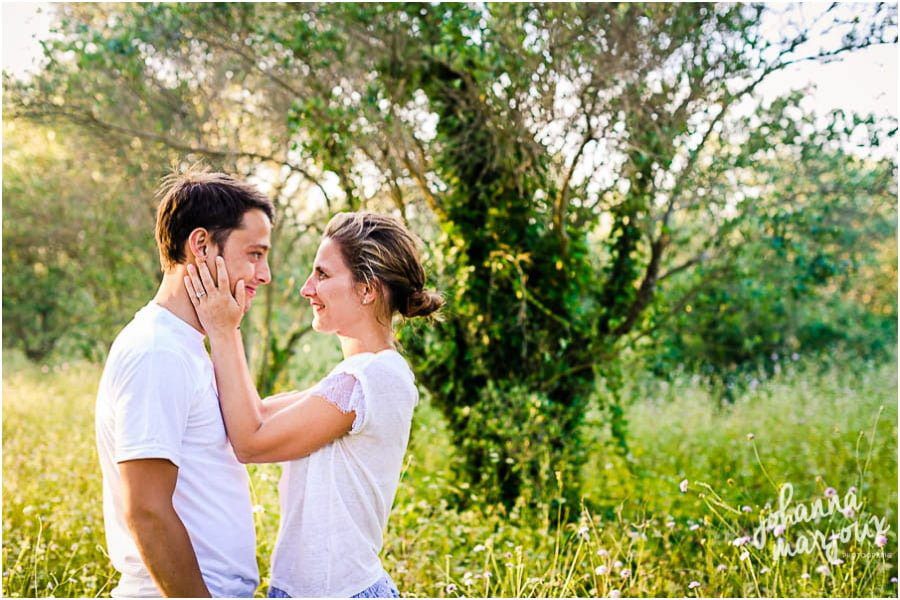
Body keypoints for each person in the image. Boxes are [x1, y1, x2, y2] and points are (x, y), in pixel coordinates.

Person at [184, 211, 443, 598]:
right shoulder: (354, 378)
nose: (307, 289)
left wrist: (225, 330)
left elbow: (251, 441)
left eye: (322, 275)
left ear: (367, 289)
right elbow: (256, 412)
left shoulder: (373, 378)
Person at [95, 169, 275, 597]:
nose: (265, 274)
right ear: (201, 245)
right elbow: (146, 510)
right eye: (254, 254)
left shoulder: (187, 346)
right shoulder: (158, 352)